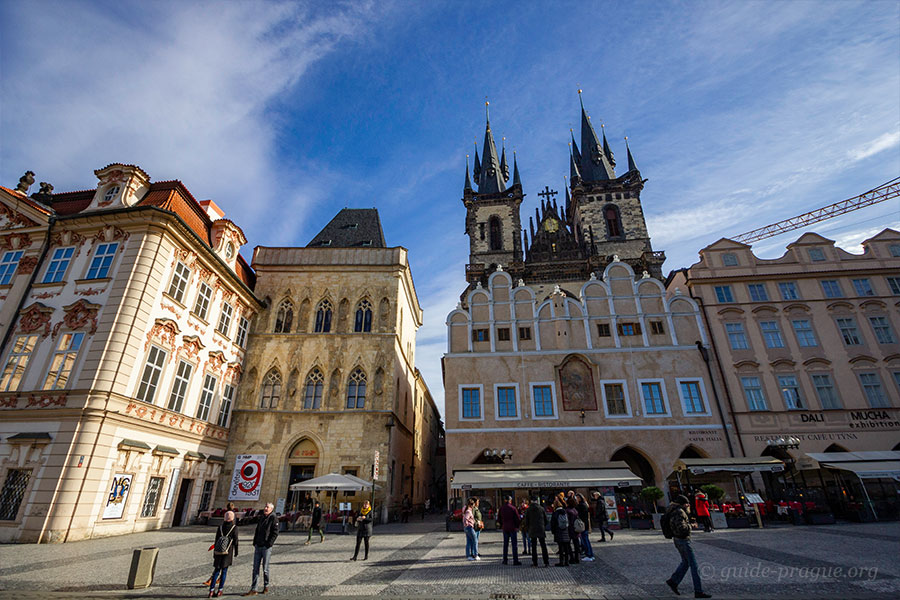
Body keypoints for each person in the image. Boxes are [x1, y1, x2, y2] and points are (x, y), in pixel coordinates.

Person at [664, 495, 711, 598]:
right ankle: (698, 591)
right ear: (682, 504)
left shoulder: (674, 510)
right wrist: (691, 526)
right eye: (687, 503)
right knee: (694, 566)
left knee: (685, 562)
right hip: (683, 540)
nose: (688, 505)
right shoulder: (679, 512)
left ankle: (673, 581)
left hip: (678, 540)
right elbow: (681, 528)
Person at [243, 502, 277, 596]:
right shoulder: (262, 517)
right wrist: (255, 542)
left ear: (271, 509)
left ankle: (266, 585)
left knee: (265, 568)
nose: (265, 508)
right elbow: (257, 530)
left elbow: (275, 532)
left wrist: (269, 543)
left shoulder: (273, 518)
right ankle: (254, 589)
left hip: (266, 546)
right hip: (258, 545)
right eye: (265, 506)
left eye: (267, 507)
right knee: (255, 568)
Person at [208, 511, 238, 598]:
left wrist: (214, 552)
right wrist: (236, 552)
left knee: (216, 571)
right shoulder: (234, 527)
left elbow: (216, 540)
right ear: (232, 518)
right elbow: (236, 541)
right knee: (224, 572)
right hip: (227, 552)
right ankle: (220, 590)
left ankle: (211, 590)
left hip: (218, 551)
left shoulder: (220, 527)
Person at [523, 495, 549, 567]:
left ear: (531, 501)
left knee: (534, 547)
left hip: (532, 529)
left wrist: (528, 528)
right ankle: (546, 562)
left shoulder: (528, 509)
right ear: (537, 500)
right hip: (540, 528)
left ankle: (535, 562)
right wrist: (543, 526)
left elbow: (526, 521)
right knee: (543, 545)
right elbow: (546, 520)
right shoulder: (541, 508)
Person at [498, 495, 521, 565]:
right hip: (512, 528)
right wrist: (517, 526)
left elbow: (499, 519)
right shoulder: (513, 508)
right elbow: (517, 518)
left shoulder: (501, 508)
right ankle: (515, 560)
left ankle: (505, 560)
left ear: (505, 500)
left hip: (505, 528)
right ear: (510, 500)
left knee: (505, 544)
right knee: (514, 545)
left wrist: (502, 525)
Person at [550, 498, 571, 567]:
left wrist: (553, 531)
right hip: (566, 531)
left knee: (561, 548)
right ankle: (567, 561)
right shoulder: (565, 512)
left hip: (558, 531)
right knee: (566, 547)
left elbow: (553, 523)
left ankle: (561, 562)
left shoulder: (555, 513)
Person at [575, 493, 595, 561]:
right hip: (585, 524)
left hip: (582, 525)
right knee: (586, 540)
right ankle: (590, 554)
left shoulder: (581, 505)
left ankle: (589, 555)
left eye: (577, 498)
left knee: (585, 540)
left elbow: (579, 514)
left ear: (580, 498)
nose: (576, 499)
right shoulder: (585, 505)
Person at [565, 497, 581, 564]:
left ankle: (571, 558)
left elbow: (567, 521)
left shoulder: (567, 510)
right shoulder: (575, 510)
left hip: (570, 529)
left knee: (568, 544)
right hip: (576, 529)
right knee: (576, 544)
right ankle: (577, 558)